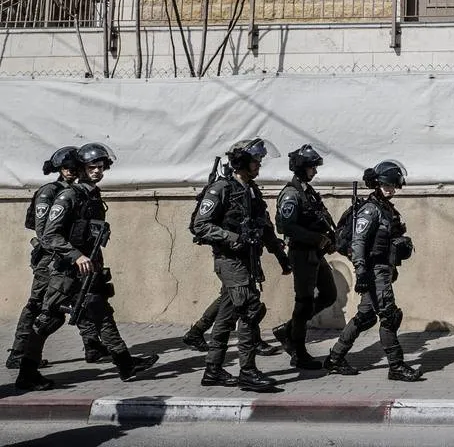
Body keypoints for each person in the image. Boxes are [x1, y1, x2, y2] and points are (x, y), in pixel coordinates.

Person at [17, 143, 158, 391]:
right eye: (92, 167)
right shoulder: (68, 196)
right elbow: (49, 235)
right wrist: (75, 256)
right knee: (48, 319)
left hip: (89, 268)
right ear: (81, 168)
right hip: (67, 270)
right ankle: (26, 373)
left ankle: (125, 364)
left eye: (101, 167)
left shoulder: (92, 195)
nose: (97, 171)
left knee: (101, 312)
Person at [191, 138, 292, 392]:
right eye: (255, 161)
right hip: (230, 260)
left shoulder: (251, 190)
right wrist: (233, 238)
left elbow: (265, 227)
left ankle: (213, 370)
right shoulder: (221, 188)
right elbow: (200, 225)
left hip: (248, 260)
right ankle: (248, 371)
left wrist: (281, 256)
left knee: (225, 317)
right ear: (242, 162)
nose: (259, 165)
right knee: (250, 310)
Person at [7, 147, 108, 370]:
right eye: (66, 168)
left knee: (83, 298)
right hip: (49, 258)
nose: (71, 171)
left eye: (74, 168)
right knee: (38, 304)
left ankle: (92, 345)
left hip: (70, 257)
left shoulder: (79, 191)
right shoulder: (50, 191)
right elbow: (44, 233)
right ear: (59, 169)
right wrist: (65, 253)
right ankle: (19, 353)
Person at [324, 160, 422, 381]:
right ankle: (396, 366)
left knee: (366, 316)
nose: (391, 189)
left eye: (393, 185)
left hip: (382, 269)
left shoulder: (386, 208)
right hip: (373, 271)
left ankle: (335, 358)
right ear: (377, 184)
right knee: (389, 316)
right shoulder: (370, 210)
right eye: (386, 185)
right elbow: (358, 242)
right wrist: (361, 273)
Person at [271, 144, 338, 371]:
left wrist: (330, 239)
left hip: (315, 252)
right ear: (301, 167)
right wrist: (317, 239)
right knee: (304, 303)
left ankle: (287, 329)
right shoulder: (291, 194)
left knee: (329, 294)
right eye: (312, 167)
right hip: (301, 253)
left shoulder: (306, 191)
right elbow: (287, 227)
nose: (315, 171)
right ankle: (298, 352)